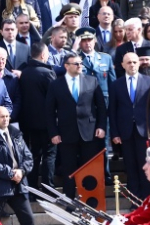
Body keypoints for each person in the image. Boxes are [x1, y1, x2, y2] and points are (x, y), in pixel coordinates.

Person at [46, 53, 107, 197]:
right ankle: (70, 199)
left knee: (90, 167)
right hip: (67, 133)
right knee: (69, 169)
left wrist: (101, 126)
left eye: (81, 63)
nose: (80, 66)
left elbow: (101, 107)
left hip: (89, 132)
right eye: (76, 64)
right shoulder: (56, 84)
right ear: (66, 66)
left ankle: (90, 199)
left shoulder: (92, 81)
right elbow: (49, 111)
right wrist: (53, 133)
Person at [110, 53, 150, 198]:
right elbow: (113, 110)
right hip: (125, 131)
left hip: (145, 131)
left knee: (146, 166)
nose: (132, 65)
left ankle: (147, 199)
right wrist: (115, 133)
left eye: (135, 62)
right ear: (123, 65)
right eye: (128, 62)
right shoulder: (116, 84)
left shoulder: (149, 81)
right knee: (130, 166)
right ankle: (134, 199)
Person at [18, 42, 59, 189]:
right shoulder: (47, 73)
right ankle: (48, 188)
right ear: (43, 55)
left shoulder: (25, 72)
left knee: (34, 155)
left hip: (29, 123)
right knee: (49, 155)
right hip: (47, 123)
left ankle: (33, 188)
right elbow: (55, 98)